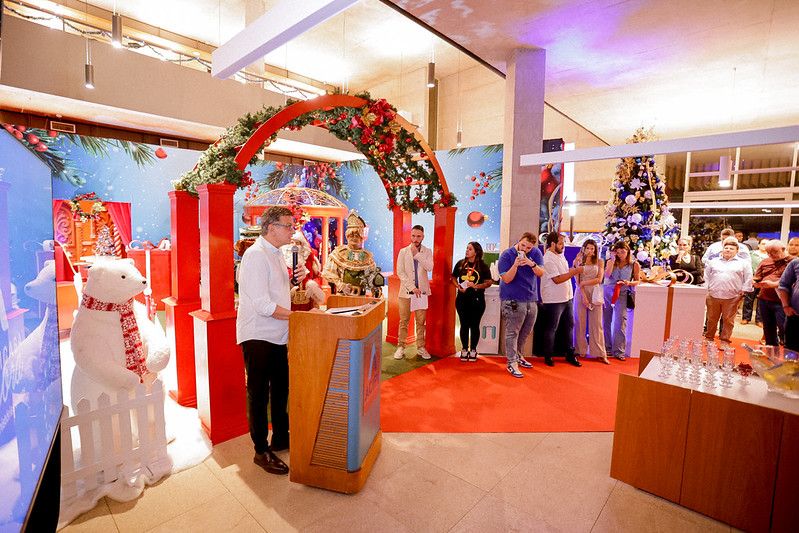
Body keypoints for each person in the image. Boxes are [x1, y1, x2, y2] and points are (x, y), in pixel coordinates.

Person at [236, 206, 314, 475]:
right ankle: (261, 450)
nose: (293, 231)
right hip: (258, 335)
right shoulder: (256, 255)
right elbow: (262, 305)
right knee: (259, 395)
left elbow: (279, 293)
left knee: (281, 390)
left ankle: (281, 437)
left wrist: (295, 283)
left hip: (278, 334)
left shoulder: (278, 254)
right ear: (271, 228)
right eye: (288, 226)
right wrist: (297, 318)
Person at [498, 232, 544, 378]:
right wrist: (515, 265)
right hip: (512, 300)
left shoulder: (536, 253)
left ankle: (518, 356)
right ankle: (512, 362)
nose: (525, 249)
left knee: (526, 332)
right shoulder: (507, 255)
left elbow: (541, 272)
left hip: (531, 299)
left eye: (528, 248)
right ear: (519, 241)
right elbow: (506, 279)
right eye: (523, 245)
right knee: (512, 332)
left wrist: (532, 264)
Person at [539, 232, 584, 367]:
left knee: (569, 326)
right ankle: (548, 355)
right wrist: (575, 271)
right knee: (552, 328)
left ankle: (570, 354)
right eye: (561, 243)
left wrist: (574, 266)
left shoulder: (560, 255)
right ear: (553, 244)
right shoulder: (548, 259)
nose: (563, 246)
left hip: (567, 297)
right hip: (553, 299)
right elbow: (557, 279)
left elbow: (564, 273)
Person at [704, 237, 753, 350]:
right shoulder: (713, 262)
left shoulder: (744, 263)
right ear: (722, 249)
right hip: (713, 295)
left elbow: (748, 278)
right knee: (711, 319)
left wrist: (742, 293)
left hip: (733, 297)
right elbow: (706, 276)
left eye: (731, 248)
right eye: (726, 248)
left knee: (728, 320)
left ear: (737, 251)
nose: (728, 250)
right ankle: (709, 338)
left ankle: (725, 341)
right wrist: (706, 291)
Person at [322, 210, 383, 297]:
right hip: (343, 296)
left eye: (357, 236)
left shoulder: (367, 256)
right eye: (352, 235)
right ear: (347, 236)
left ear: (361, 238)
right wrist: (342, 286)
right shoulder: (339, 253)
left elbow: (372, 276)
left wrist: (375, 287)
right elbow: (329, 273)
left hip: (361, 297)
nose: (354, 238)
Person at [395, 225, 434, 360]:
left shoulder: (427, 251)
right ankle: (401, 347)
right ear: (410, 236)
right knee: (404, 321)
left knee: (421, 322)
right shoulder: (403, 252)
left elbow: (429, 267)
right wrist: (412, 287)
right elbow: (400, 272)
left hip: (421, 293)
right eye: (413, 236)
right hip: (406, 292)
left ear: (423, 237)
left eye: (418, 236)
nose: (415, 238)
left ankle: (421, 348)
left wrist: (417, 255)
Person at [451, 242, 493, 361]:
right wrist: (458, 287)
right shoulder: (460, 264)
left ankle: (473, 349)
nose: (467, 251)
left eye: (470, 249)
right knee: (464, 325)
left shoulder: (483, 266)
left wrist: (476, 286)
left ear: (476, 252)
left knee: (475, 325)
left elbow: (489, 282)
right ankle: (464, 349)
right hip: (462, 299)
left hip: (477, 300)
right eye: (467, 248)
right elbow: (453, 278)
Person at [603, 241, 640, 361]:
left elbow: (637, 281)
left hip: (622, 293)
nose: (620, 255)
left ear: (628, 251)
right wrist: (613, 260)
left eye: (623, 252)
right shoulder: (611, 262)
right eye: (618, 252)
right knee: (606, 320)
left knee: (620, 321)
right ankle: (606, 348)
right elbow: (607, 275)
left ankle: (619, 351)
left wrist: (628, 283)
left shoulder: (634, 264)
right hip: (608, 292)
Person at [572, 238, 608, 364]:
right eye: (587, 248)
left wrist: (585, 282)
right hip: (580, 291)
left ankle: (599, 352)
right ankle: (580, 350)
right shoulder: (578, 261)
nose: (590, 251)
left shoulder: (599, 261)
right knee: (580, 322)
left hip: (595, 291)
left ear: (595, 250)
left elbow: (599, 279)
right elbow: (577, 280)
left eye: (592, 249)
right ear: (584, 249)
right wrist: (584, 296)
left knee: (597, 323)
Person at [753, 240, 792, 346]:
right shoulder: (765, 261)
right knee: (768, 329)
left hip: (782, 301)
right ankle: (772, 353)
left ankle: (790, 353)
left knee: (785, 329)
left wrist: (774, 284)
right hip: (764, 298)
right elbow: (757, 277)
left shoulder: (792, 262)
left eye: (773, 252)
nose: (770, 255)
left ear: (783, 249)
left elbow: (793, 281)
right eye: (768, 252)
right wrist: (755, 282)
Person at [281, 230, 324, 311]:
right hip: (288, 303)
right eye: (292, 242)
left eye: (297, 243)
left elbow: (316, 276)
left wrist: (313, 286)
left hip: (306, 302)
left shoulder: (309, 258)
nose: (294, 245)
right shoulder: (280, 259)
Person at [742, 238, 768, 325]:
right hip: (752, 277)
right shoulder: (751, 254)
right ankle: (746, 318)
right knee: (749, 298)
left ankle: (759, 320)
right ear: (759, 245)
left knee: (761, 299)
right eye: (763, 244)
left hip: (765, 279)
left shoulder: (770, 256)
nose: (764, 246)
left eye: (767, 244)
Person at [778, 256, 799, 351]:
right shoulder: (796, 263)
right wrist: (786, 306)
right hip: (795, 315)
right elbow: (783, 285)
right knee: (791, 352)